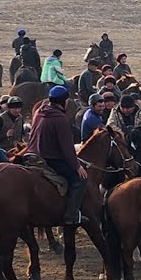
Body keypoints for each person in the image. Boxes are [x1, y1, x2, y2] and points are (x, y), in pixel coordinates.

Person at [28, 86, 87, 225]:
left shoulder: (39, 112)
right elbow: (67, 148)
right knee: (80, 180)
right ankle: (71, 215)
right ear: (64, 102)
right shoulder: (60, 118)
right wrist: (77, 167)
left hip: (31, 154)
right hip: (50, 159)